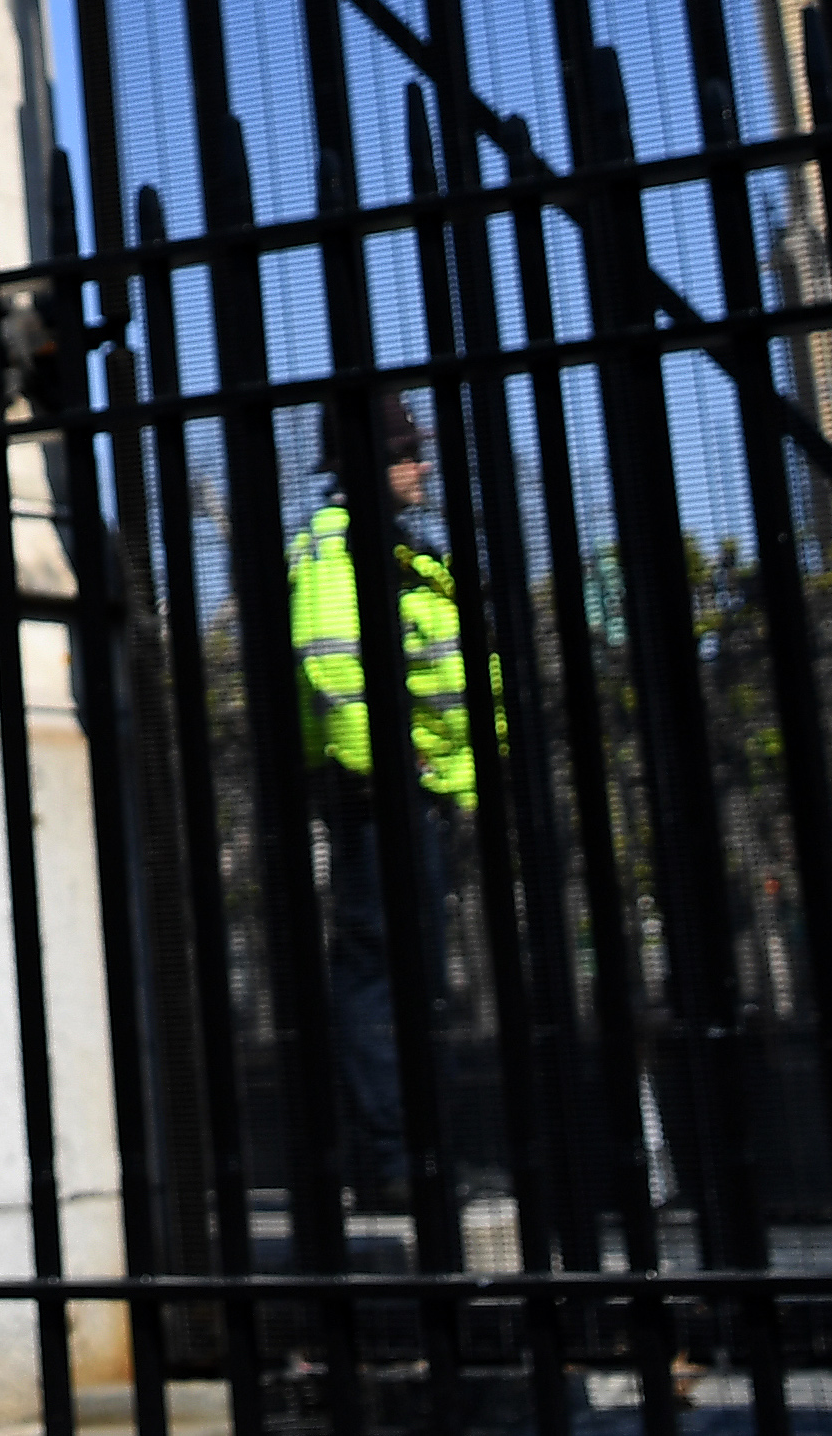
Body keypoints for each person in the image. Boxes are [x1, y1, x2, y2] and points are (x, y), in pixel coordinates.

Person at [289, 400, 491, 1209]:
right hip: (380, 793)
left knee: (417, 975)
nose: (423, 466)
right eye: (406, 453)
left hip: (419, 790)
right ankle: (390, 1156)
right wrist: (396, 765)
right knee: (381, 974)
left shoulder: (408, 549)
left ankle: (418, 1150)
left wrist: (462, 781)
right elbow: (333, 668)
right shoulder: (337, 547)